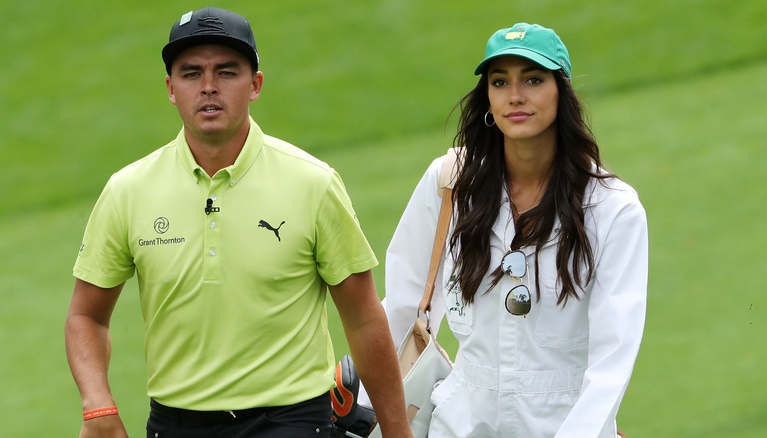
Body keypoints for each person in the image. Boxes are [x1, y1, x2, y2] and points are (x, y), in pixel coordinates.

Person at [65, 7, 411, 438]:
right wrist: (97, 406)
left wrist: (399, 434)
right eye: (191, 74)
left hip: (293, 420)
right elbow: (86, 316)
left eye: (226, 72)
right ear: (171, 89)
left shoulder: (313, 183)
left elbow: (363, 318)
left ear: (255, 85)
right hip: (175, 424)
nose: (208, 86)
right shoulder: (127, 190)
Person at [382, 23, 648, 437]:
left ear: (562, 92)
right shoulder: (450, 181)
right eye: (500, 81)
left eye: (534, 79)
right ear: (487, 96)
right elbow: (401, 306)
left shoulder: (614, 208)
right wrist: (367, 409)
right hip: (458, 426)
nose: (516, 95)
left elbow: (613, 358)